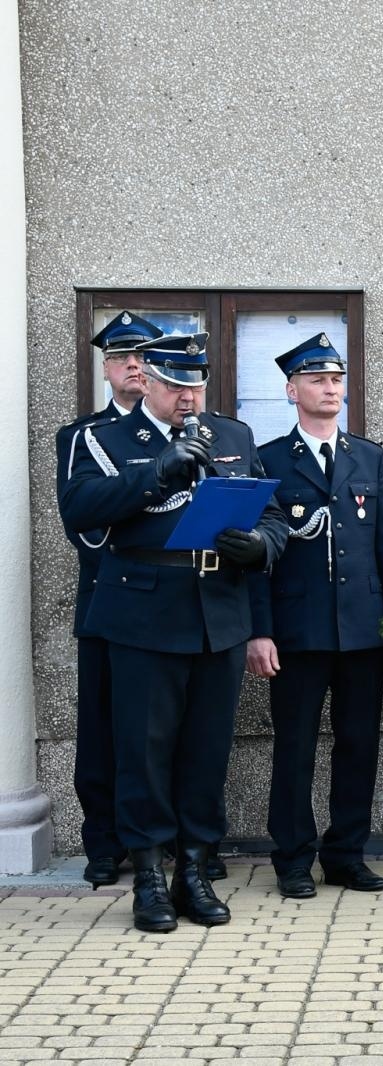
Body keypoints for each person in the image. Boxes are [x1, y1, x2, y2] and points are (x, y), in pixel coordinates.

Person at [61, 332, 288, 932]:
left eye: (195, 385)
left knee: (205, 751)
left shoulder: (232, 436)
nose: (187, 398)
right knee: (144, 751)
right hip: (143, 613)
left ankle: (193, 869)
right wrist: (156, 473)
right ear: (147, 382)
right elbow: (78, 511)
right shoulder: (103, 438)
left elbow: (272, 512)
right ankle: (149, 879)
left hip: (219, 611)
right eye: (175, 386)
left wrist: (261, 544)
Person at [247, 334, 383, 898]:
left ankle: (346, 854)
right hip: (297, 631)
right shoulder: (267, 459)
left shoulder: (367, 455)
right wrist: (259, 630)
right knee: (295, 748)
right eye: (317, 380)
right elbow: (256, 562)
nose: (330, 388)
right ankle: (292, 858)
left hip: (362, 629)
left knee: (359, 744)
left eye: (336, 380)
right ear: (292, 390)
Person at [54, 311, 159, 887]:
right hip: (106, 604)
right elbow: (84, 526)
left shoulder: (183, 429)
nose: (135, 366)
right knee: (102, 729)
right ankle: (104, 842)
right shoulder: (82, 436)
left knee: (160, 730)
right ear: (107, 369)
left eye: (143, 357)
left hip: (166, 607)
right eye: (122, 358)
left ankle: (164, 840)